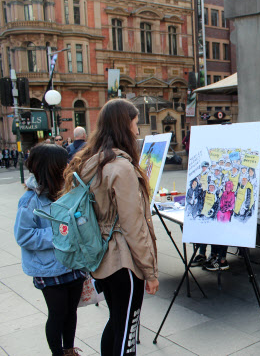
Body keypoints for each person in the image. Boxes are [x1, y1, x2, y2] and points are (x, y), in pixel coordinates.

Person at [62, 99, 158, 356]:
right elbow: (134, 226)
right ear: (124, 126)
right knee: (127, 331)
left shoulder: (92, 163)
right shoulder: (121, 167)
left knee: (115, 324)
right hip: (124, 261)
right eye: (136, 125)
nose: (138, 132)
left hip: (101, 258)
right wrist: (150, 272)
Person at [14, 144, 85, 356]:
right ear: (51, 168)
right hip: (48, 268)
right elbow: (24, 235)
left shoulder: (68, 191)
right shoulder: (29, 200)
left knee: (71, 311)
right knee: (57, 313)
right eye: (64, 164)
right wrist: (59, 234)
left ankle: (69, 350)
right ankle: (57, 353)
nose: (68, 167)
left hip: (72, 262)